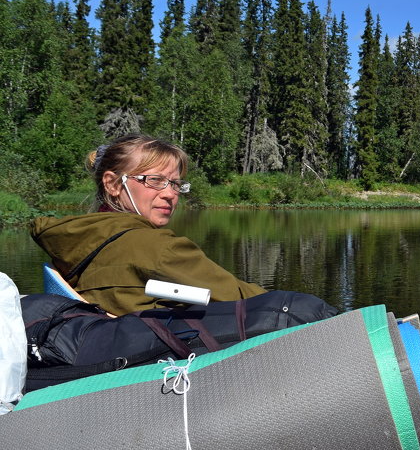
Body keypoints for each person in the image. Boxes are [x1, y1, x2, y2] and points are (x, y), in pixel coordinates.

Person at [30, 135, 266, 316]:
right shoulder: (158, 248)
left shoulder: (76, 242)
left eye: (175, 184)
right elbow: (246, 299)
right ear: (112, 184)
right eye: (154, 180)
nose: (169, 194)